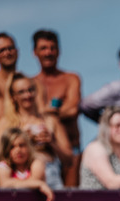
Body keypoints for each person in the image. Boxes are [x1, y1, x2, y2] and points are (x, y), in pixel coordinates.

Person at [0, 72, 72, 190]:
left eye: (30, 90)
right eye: (21, 92)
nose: (27, 95)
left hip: (50, 175)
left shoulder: (50, 120)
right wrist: (21, 139)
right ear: (13, 96)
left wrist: (51, 143)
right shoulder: (5, 122)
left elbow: (69, 159)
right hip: (18, 177)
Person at [32, 29, 83, 187]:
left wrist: (45, 113)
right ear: (35, 52)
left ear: (59, 51)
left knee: (72, 200)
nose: (48, 52)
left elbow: (72, 110)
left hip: (71, 151)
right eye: (43, 48)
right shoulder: (31, 84)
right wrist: (55, 110)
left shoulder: (70, 79)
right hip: (44, 153)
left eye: (52, 48)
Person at [0, 128, 54, 201]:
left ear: (28, 146)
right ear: (6, 149)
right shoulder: (2, 166)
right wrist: (40, 184)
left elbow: (35, 180)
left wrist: (37, 183)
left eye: (21, 145)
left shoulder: (36, 162)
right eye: (12, 147)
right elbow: (5, 184)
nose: (18, 150)